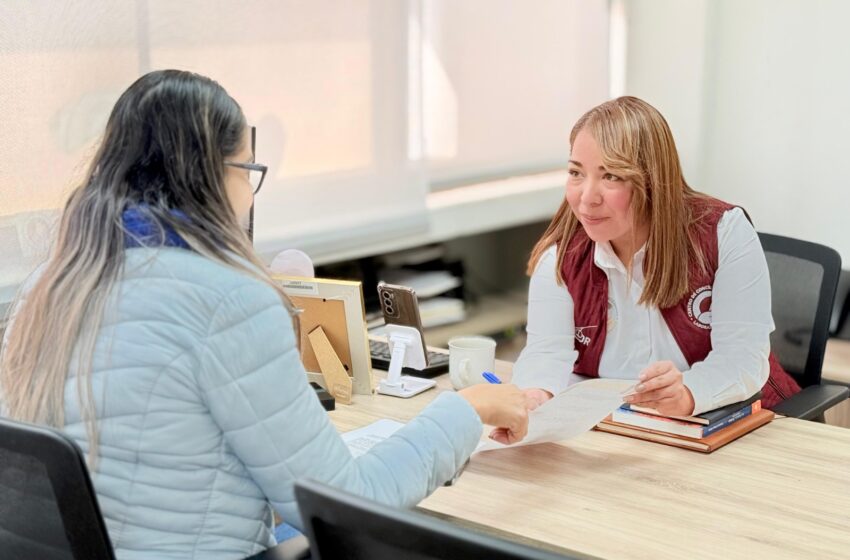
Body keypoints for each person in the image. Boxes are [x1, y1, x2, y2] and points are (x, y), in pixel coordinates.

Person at [0, 69, 532, 560]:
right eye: (247, 171)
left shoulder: (48, 289)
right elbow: (349, 501)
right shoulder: (228, 301)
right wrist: (466, 410)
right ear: (212, 175)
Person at [510, 96, 800, 421]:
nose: (587, 198)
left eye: (611, 176)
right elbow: (545, 352)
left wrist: (688, 393)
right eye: (576, 173)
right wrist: (534, 394)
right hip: (626, 433)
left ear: (651, 179)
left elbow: (743, 360)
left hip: (741, 425)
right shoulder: (562, 257)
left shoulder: (723, 232)